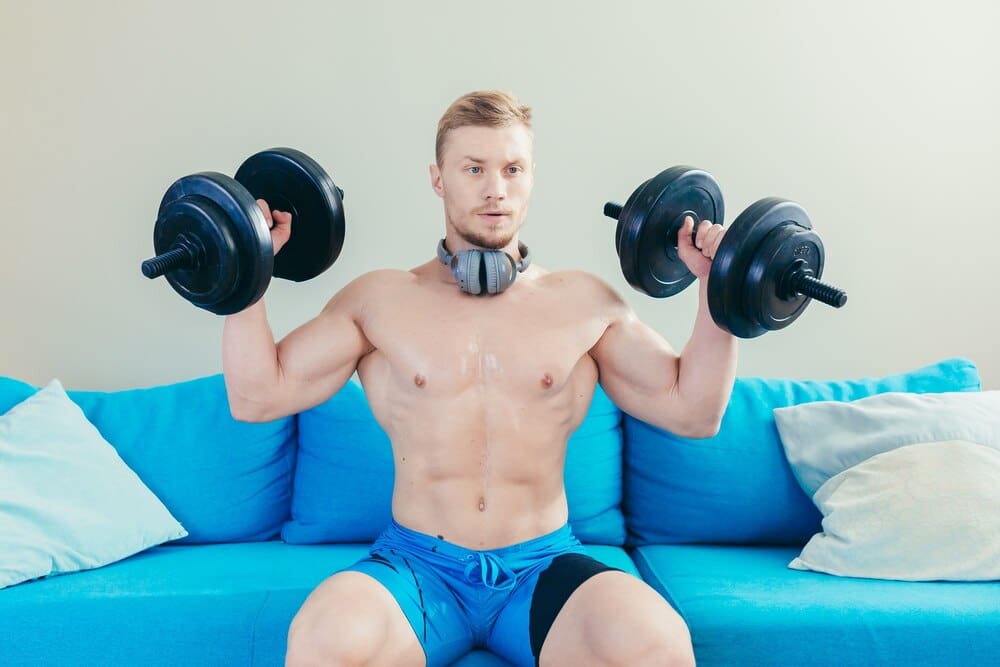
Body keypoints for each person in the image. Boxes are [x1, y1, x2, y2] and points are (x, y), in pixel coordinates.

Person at [224, 90, 736, 667]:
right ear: (438, 179)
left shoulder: (584, 304)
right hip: (416, 567)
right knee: (325, 636)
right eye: (474, 169)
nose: (496, 188)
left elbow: (694, 412)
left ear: (531, 176)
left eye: (512, 169)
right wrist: (246, 266)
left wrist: (721, 289)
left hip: (544, 568)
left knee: (655, 640)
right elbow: (256, 398)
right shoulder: (380, 301)